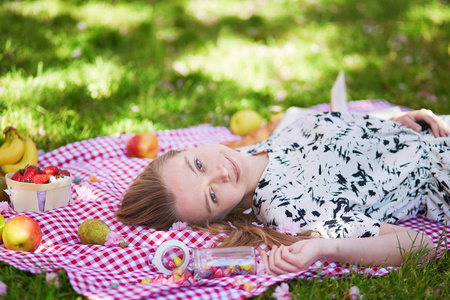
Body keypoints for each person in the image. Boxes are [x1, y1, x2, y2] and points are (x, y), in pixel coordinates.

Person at [116, 108, 450, 275]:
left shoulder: (256, 148)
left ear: (189, 149)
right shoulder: (288, 208)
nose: (220, 173)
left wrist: (393, 122)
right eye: (212, 197)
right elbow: (420, 245)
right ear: (221, 214)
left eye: (198, 166)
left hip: (433, 130)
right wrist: (324, 248)